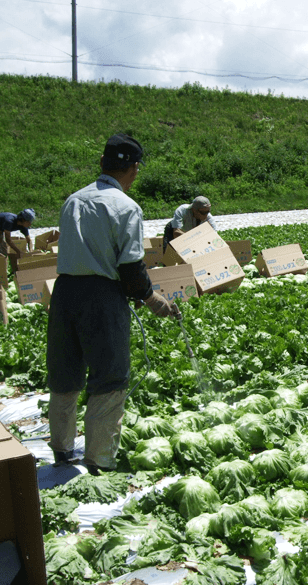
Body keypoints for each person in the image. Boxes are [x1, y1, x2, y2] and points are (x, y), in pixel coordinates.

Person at [47, 133, 179, 476]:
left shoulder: (74, 200)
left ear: (103, 164)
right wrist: (152, 299)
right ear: (133, 169)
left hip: (63, 293)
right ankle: (99, 461)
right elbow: (131, 266)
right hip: (100, 297)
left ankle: (62, 450)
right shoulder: (126, 207)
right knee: (109, 377)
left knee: (65, 372)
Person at [0, 208, 35, 326]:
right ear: (23, 220)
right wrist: (19, 252)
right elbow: (8, 240)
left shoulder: (23, 226)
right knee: (3, 247)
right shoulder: (9, 221)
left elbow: (29, 239)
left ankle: (3, 270)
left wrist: (30, 252)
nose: (30, 224)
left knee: (3, 249)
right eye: (29, 222)